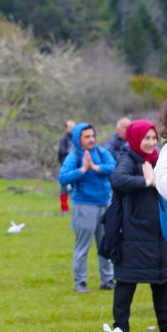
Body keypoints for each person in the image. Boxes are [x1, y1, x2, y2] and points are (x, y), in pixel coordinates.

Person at [108, 120, 167, 332]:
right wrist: (146, 181)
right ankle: (121, 329)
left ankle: (166, 329)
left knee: (162, 282)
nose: (151, 143)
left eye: (154, 138)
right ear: (135, 139)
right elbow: (117, 180)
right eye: (147, 138)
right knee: (126, 282)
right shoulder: (129, 159)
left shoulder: (161, 160)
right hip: (133, 235)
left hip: (158, 231)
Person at [59, 122, 116, 293]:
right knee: (82, 246)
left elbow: (113, 167)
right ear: (78, 139)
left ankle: (107, 280)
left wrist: (95, 167)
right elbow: (63, 178)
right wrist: (83, 169)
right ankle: (80, 282)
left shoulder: (101, 152)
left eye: (92, 136)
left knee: (105, 245)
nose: (91, 139)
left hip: (105, 204)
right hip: (84, 206)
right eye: (87, 137)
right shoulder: (73, 156)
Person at [58, 120, 76, 213]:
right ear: (66, 128)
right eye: (70, 127)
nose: (72, 129)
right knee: (64, 188)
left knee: (75, 188)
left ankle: (76, 207)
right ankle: (64, 208)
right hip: (66, 166)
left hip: (76, 168)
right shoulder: (63, 139)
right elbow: (61, 152)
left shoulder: (77, 139)